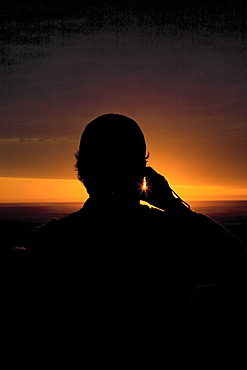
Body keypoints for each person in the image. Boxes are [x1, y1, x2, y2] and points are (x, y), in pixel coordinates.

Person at [25, 113, 247, 361]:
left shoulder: (51, 241)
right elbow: (240, 264)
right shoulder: (172, 237)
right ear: (143, 171)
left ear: (82, 172)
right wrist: (173, 206)